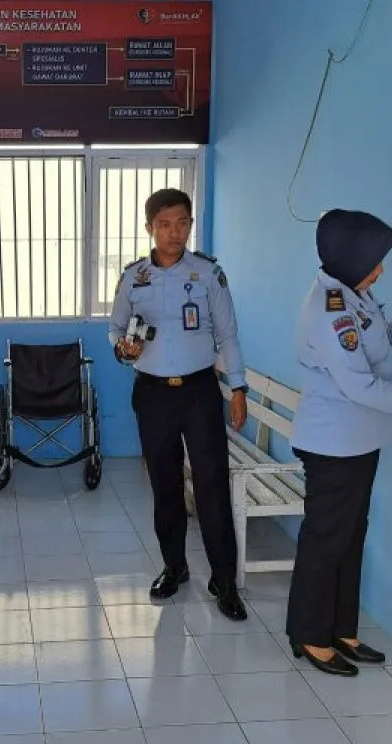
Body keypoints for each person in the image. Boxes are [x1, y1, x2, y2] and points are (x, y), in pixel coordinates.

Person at [285, 210, 392, 677]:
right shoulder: (327, 309)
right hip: (333, 444)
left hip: (359, 439)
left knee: (350, 537)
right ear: (349, 258)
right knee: (326, 540)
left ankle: (341, 629)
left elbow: (371, 338)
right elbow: (360, 385)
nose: (381, 270)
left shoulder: (353, 293)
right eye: (374, 261)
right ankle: (310, 634)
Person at [109, 187, 248, 621]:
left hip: (199, 392)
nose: (175, 232)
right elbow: (115, 328)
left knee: (211, 485)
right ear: (149, 228)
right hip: (152, 394)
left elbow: (228, 334)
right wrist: (123, 348)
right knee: (165, 484)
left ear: (190, 224)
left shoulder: (208, 273)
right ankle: (175, 567)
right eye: (165, 225)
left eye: (182, 223)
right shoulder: (133, 277)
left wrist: (239, 388)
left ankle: (224, 580)